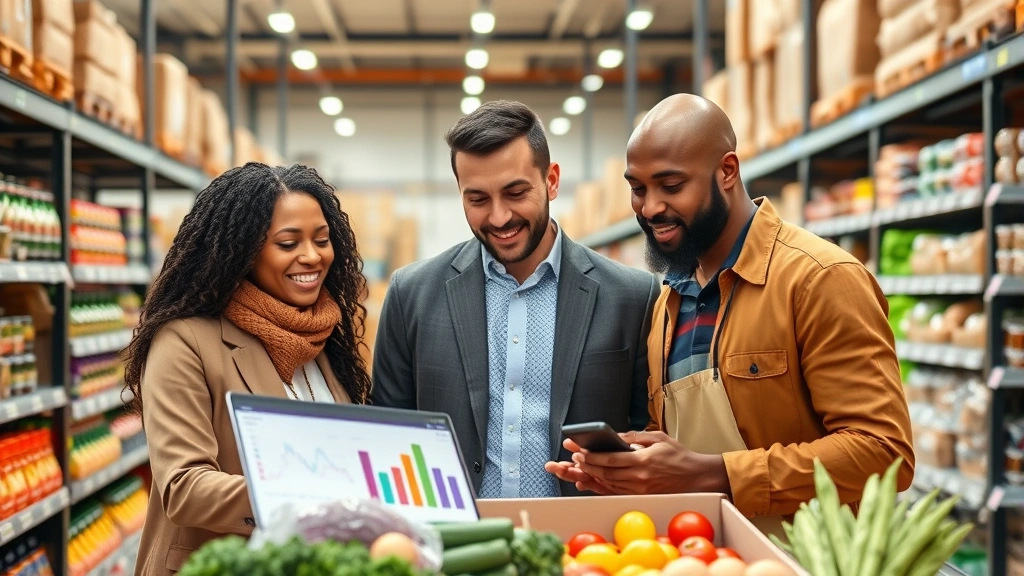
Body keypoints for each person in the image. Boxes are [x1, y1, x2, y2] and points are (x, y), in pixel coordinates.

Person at [546, 94, 915, 531]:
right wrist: (631, 469)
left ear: (727, 171)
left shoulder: (819, 278)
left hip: (812, 560)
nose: (649, 208)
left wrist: (715, 472)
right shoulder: (668, 303)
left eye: (671, 185)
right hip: (715, 554)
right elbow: (682, 448)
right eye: (638, 188)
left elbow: (883, 451)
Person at [371, 100, 659, 499]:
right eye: (477, 200)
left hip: (584, 546)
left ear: (552, 180)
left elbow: (649, 440)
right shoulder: (412, 294)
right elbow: (388, 436)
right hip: (454, 546)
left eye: (516, 192)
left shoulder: (631, 296)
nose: (500, 217)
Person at [123, 163, 373, 576]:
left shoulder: (322, 340)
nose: (311, 256)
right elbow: (184, 487)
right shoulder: (184, 340)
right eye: (288, 243)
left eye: (322, 240)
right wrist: (310, 498)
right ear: (244, 251)